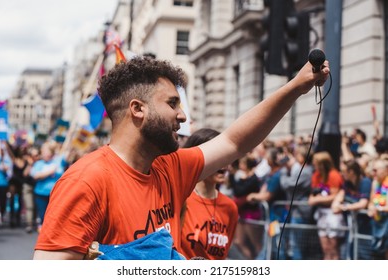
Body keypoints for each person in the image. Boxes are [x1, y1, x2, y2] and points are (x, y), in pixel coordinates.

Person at [33, 55, 329, 259]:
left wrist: (295, 87)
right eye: (172, 103)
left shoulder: (170, 167)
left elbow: (234, 141)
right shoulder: (87, 181)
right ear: (138, 109)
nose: (182, 115)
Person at [180, 128, 238, 260]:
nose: (225, 164)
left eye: (227, 157)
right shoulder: (181, 199)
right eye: (218, 157)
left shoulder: (230, 207)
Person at [331, 159, 372, 259]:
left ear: (351, 172)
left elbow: (363, 203)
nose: (341, 174)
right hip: (351, 228)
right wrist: (338, 204)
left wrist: (345, 207)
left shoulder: (365, 182)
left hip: (364, 228)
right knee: (349, 255)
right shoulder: (347, 184)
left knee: (363, 256)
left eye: (344, 171)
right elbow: (336, 203)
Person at [308, 151, 345, 260]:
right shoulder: (316, 176)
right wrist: (316, 199)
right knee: (325, 247)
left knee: (333, 246)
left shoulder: (334, 175)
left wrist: (318, 199)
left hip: (332, 213)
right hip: (321, 213)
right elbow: (312, 195)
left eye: (316, 164)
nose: (314, 166)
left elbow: (334, 196)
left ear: (322, 164)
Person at [367, 159, 388, 259]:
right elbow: (371, 201)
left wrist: (380, 208)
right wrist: (371, 207)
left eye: (376, 170)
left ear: (386, 170)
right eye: (373, 170)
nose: (373, 173)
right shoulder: (375, 183)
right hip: (378, 222)